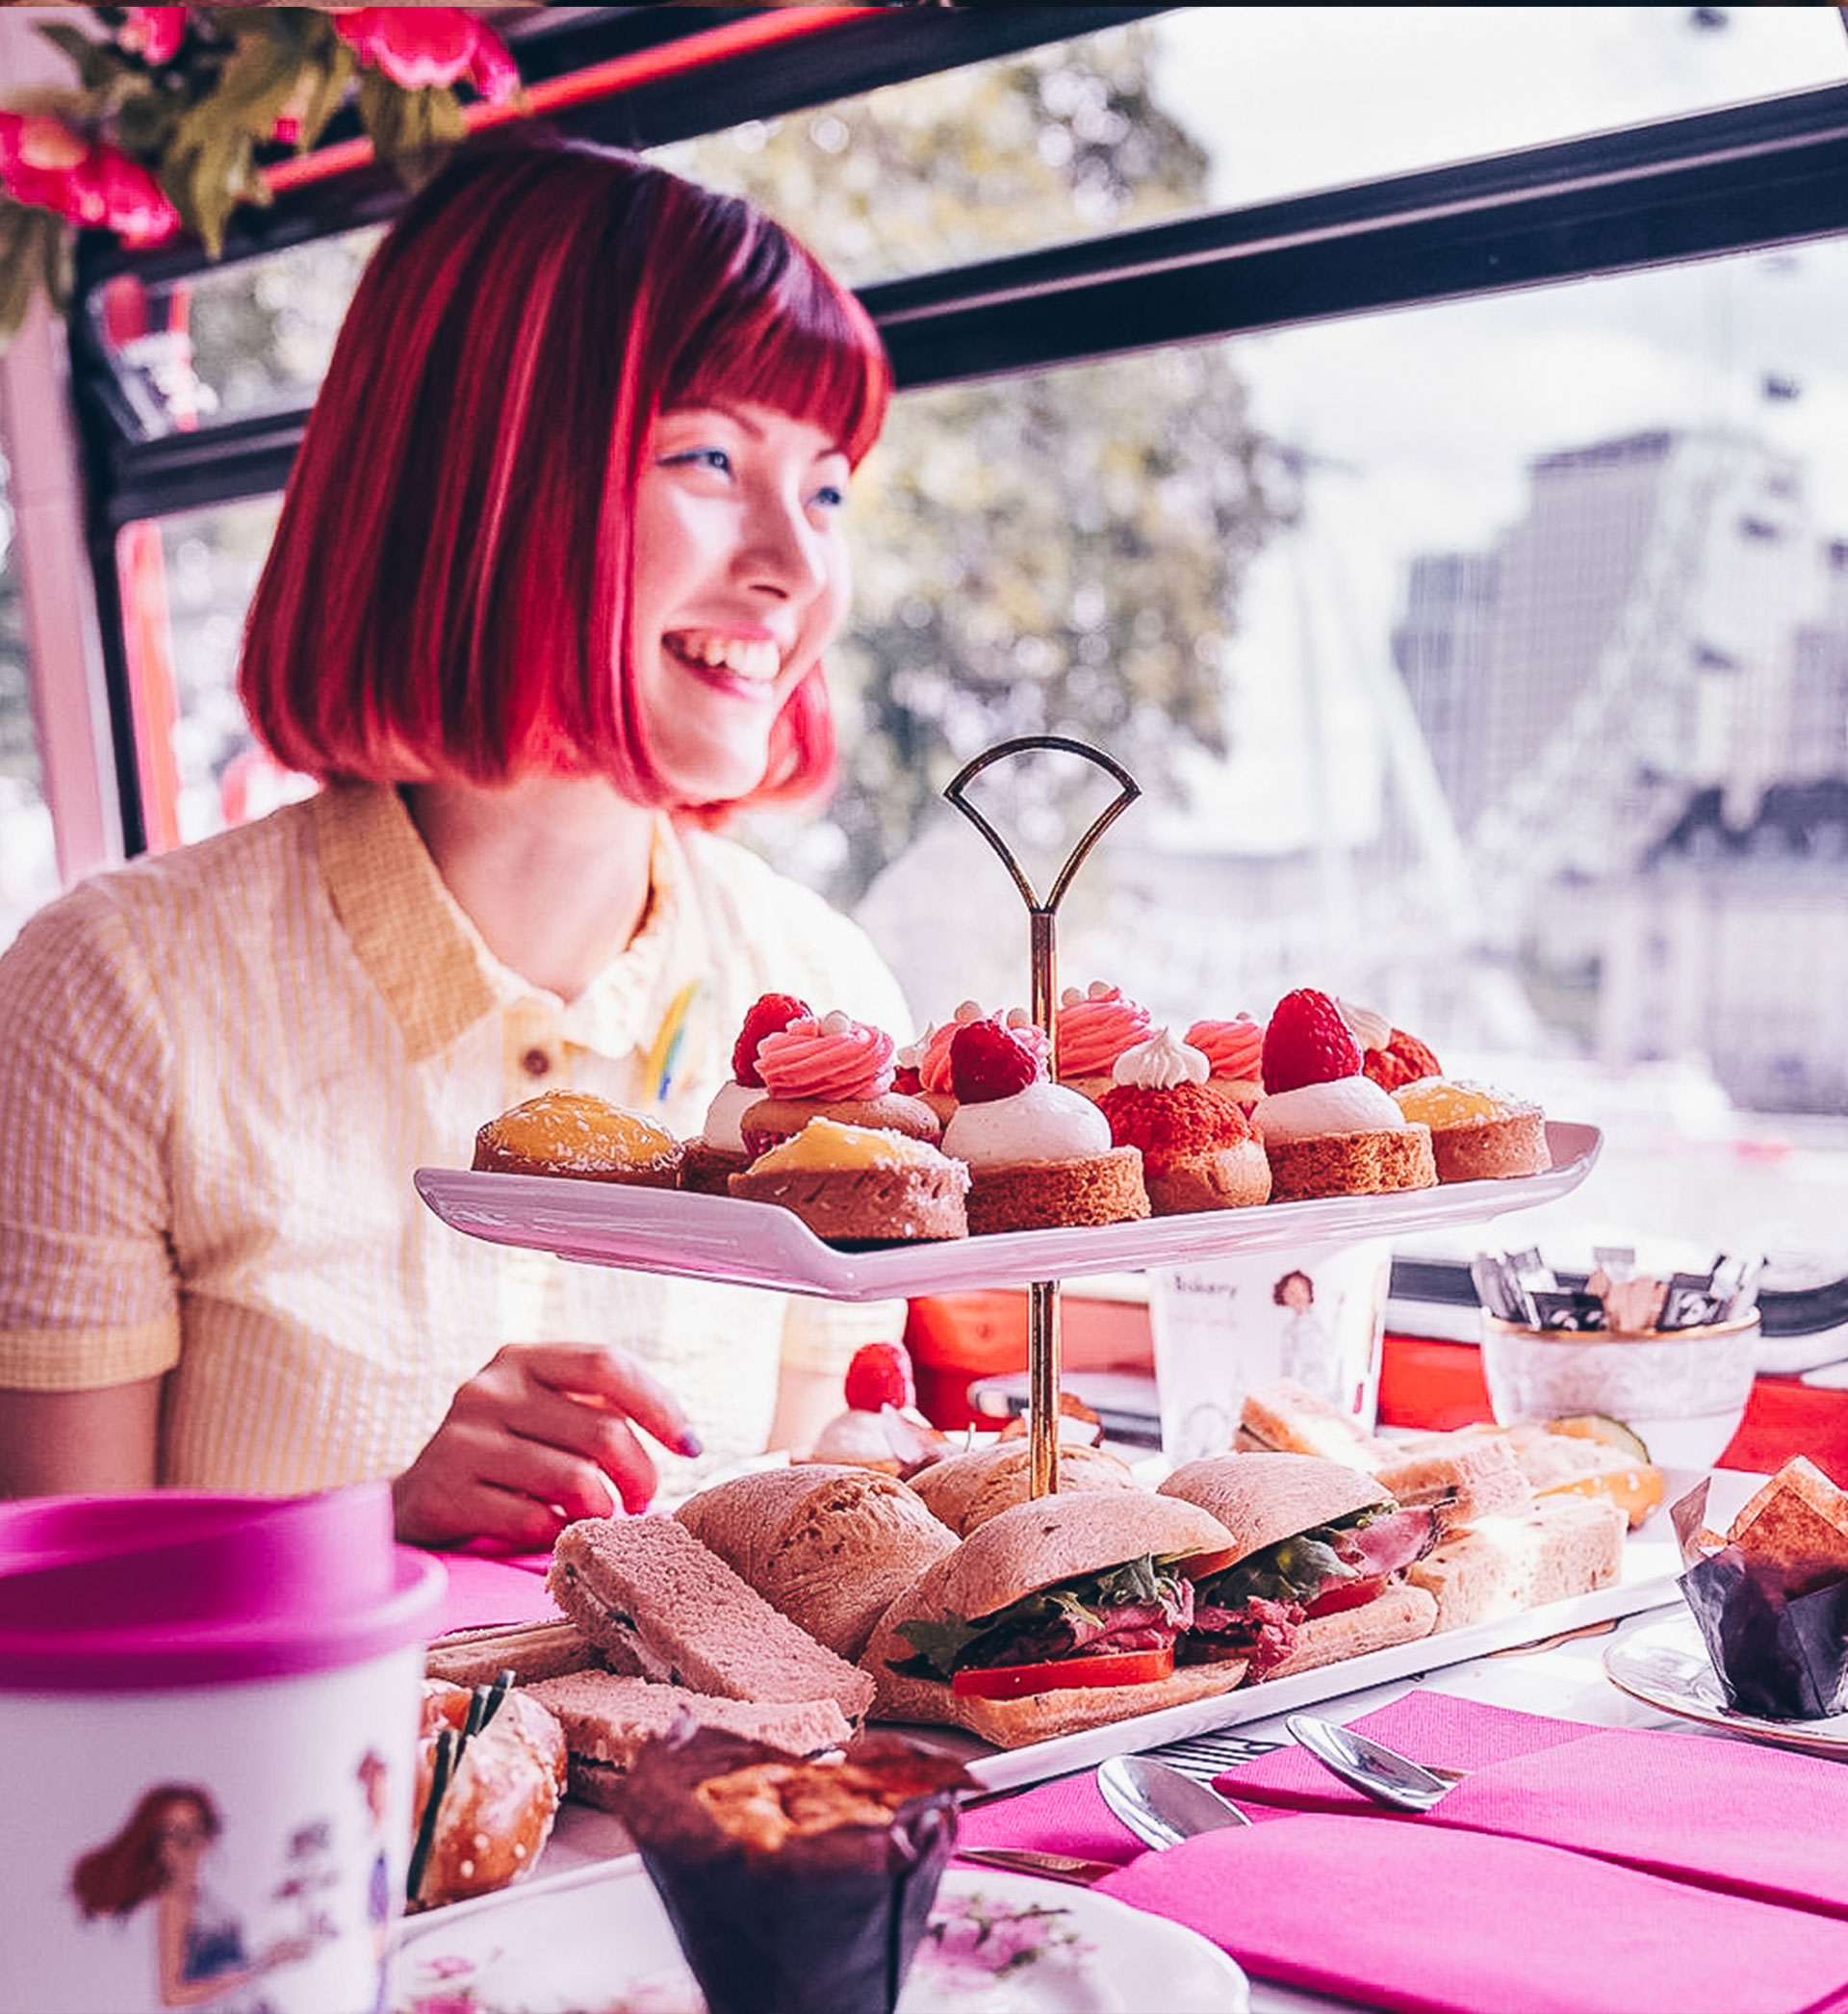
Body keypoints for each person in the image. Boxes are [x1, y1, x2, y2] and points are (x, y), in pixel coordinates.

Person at [0, 130, 913, 1549]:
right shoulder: (112, 992)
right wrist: (376, 1526)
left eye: (829, 488)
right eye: (710, 455)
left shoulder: (830, 1010)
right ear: (492, 475)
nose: (795, 571)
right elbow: (53, 1637)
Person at [70, 1784, 313, 2010]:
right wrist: (258, 1967)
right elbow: (172, 1995)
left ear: (208, 1836)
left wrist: (269, 1958)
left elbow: (217, 1966)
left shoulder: (198, 1896)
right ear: (156, 1844)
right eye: (172, 1834)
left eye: (195, 1830)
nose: (186, 1844)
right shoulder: (173, 1902)